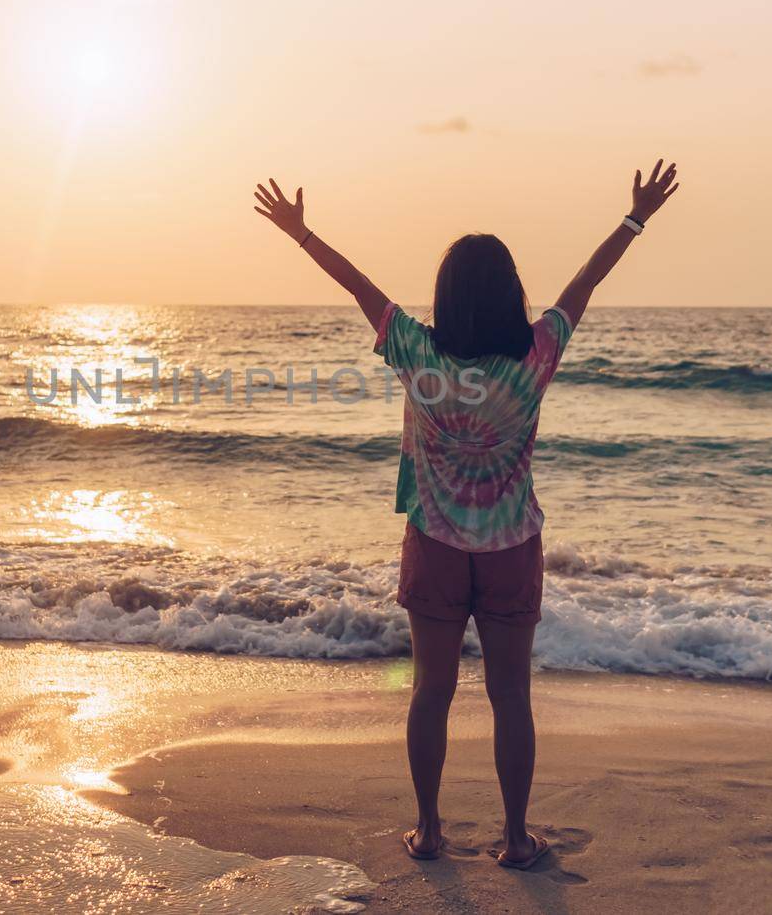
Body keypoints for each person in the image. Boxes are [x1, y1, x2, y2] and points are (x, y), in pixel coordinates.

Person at [252, 160, 681, 870]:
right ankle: (515, 839)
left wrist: (302, 234)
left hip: (437, 544)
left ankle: (429, 830)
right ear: (512, 293)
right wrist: (635, 218)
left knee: (431, 690)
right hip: (512, 546)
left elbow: (357, 284)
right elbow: (586, 282)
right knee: (512, 695)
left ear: (446, 297)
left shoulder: (417, 351)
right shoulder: (536, 353)